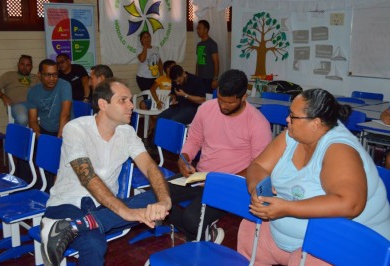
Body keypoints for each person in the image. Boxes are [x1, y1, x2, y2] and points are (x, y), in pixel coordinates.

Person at [238, 89, 390, 265]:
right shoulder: (293, 135)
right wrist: (257, 188)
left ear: (316, 123)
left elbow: (350, 204)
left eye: (293, 116)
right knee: (250, 229)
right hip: (293, 239)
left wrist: (287, 208)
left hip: (350, 245)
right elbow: (259, 165)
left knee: (305, 259)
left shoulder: (339, 149)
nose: (287, 119)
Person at [40, 77, 172, 266]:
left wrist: (164, 202)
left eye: (130, 100)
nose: (131, 106)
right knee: (94, 244)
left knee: (165, 191)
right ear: (103, 104)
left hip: (104, 207)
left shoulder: (127, 132)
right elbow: (88, 177)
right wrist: (127, 213)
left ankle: (70, 229)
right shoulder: (76, 129)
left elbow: (150, 166)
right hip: (68, 204)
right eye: (123, 100)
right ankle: (61, 225)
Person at [167, 69, 272, 243]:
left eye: (229, 103)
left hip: (229, 184)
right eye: (220, 99)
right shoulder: (207, 108)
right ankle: (203, 233)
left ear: (243, 97)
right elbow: (193, 139)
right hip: (199, 175)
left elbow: (258, 167)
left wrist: (221, 181)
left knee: (191, 220)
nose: (223, 106)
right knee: (156, 194)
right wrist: (184, 158)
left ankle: (200, 235)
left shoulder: (258, 123)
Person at [27, 59, 72, 138]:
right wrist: (38, 136)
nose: (52, 79)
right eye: (48, 75)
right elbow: (32, 120)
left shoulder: (64, 85)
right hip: (45, 131)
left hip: (66, 129)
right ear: (39, 75)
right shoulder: (33, 92)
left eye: (55, 74)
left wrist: (59, 137)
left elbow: (66, 114)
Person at [0, 54, 39, 126]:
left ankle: (41, 136)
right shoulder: (9, 75)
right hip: (17, 105)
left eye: (28, 65)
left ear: (31, 67)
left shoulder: (36, 77)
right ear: (18, 65)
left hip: (34, 106)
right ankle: (18, 136)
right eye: (22, 64)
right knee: (22, 118)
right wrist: (3, 96)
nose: (25, 67)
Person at [139, 60, 176, 136]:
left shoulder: (176, 79)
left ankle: (155, 125)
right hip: (158, 100)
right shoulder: (161, 78)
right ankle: (154, 121)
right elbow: (152, 90)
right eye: (172, 67)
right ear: (167, 69)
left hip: (169, 102)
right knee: (142, 104)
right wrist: (157, 101)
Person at [196, 20, 219, 94]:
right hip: (200, 78)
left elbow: (216, 62)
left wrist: (215, 79)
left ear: (206, 30)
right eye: (197, 28)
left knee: (208, 100)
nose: (197, 30)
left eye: (199, 28)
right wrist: (196, 76)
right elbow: (198, 61)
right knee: (200, 98)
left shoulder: (212, 44)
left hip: (209, 78)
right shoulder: (199, 44)